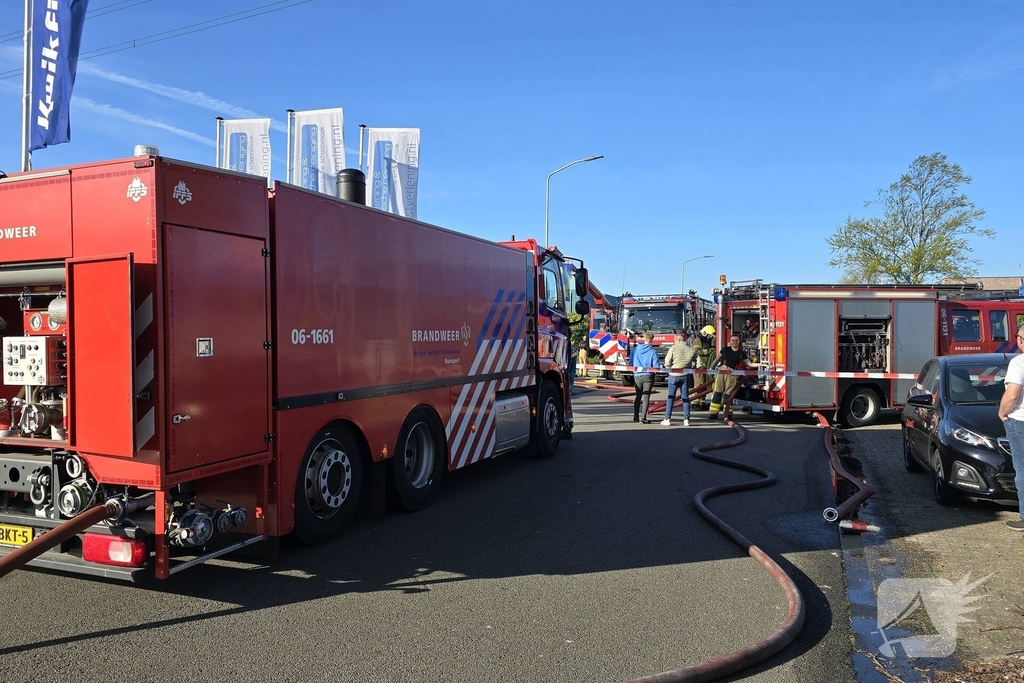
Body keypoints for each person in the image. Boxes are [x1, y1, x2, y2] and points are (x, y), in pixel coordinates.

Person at [997, 323, 1024, 532]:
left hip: (1020, 422)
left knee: (1022, 471)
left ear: (1021, 340)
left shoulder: (1018, 362)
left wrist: (1003, 413)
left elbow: (1013, 394)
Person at [707, 333, 749, 421]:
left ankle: (728, 414)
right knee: (718, 392)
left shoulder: (741, 353)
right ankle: (713, 413)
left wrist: (761, 364)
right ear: (730, 341)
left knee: (728, 394)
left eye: (736, 340)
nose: (734, 342)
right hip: (722, 372)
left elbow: (749, 364)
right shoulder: (725, 350)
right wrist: (711, 368)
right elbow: (717, 359)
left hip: (732, 374)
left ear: (739, 342)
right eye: (733, 340)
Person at [661, 332, 697, 426]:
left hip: (674, 375)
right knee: (685, 398)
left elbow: (667, 362)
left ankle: (667, 418)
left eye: (675, 340)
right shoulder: (691, 349)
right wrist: (691, 367)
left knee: (670, 398)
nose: (674, 342)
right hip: (685, 376)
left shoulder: (673, 348)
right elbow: (699, 363)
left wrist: (669, 367)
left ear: (679, 340)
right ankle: (686, 420)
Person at [629, 331, 661, 423]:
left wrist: (634, 371)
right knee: (646, 397)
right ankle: (643, 418)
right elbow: (656, 366)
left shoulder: (635, 349)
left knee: (638, 396)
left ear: (644, 339)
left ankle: (635, 416)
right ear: (652, 340)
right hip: (648, 376)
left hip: (637, 375)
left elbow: (630, 362)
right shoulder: (653, 351)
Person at [692, 325, 716, 409]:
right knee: (699, 385)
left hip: (705, 366)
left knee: (704, 385)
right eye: (709, 335)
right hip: (699, 367)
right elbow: (697, 351)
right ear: (705, 333)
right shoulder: (697, 340)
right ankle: (695, 402)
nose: (710, 337)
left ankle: (702, 402)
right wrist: (709, 351)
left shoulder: (706, 341)